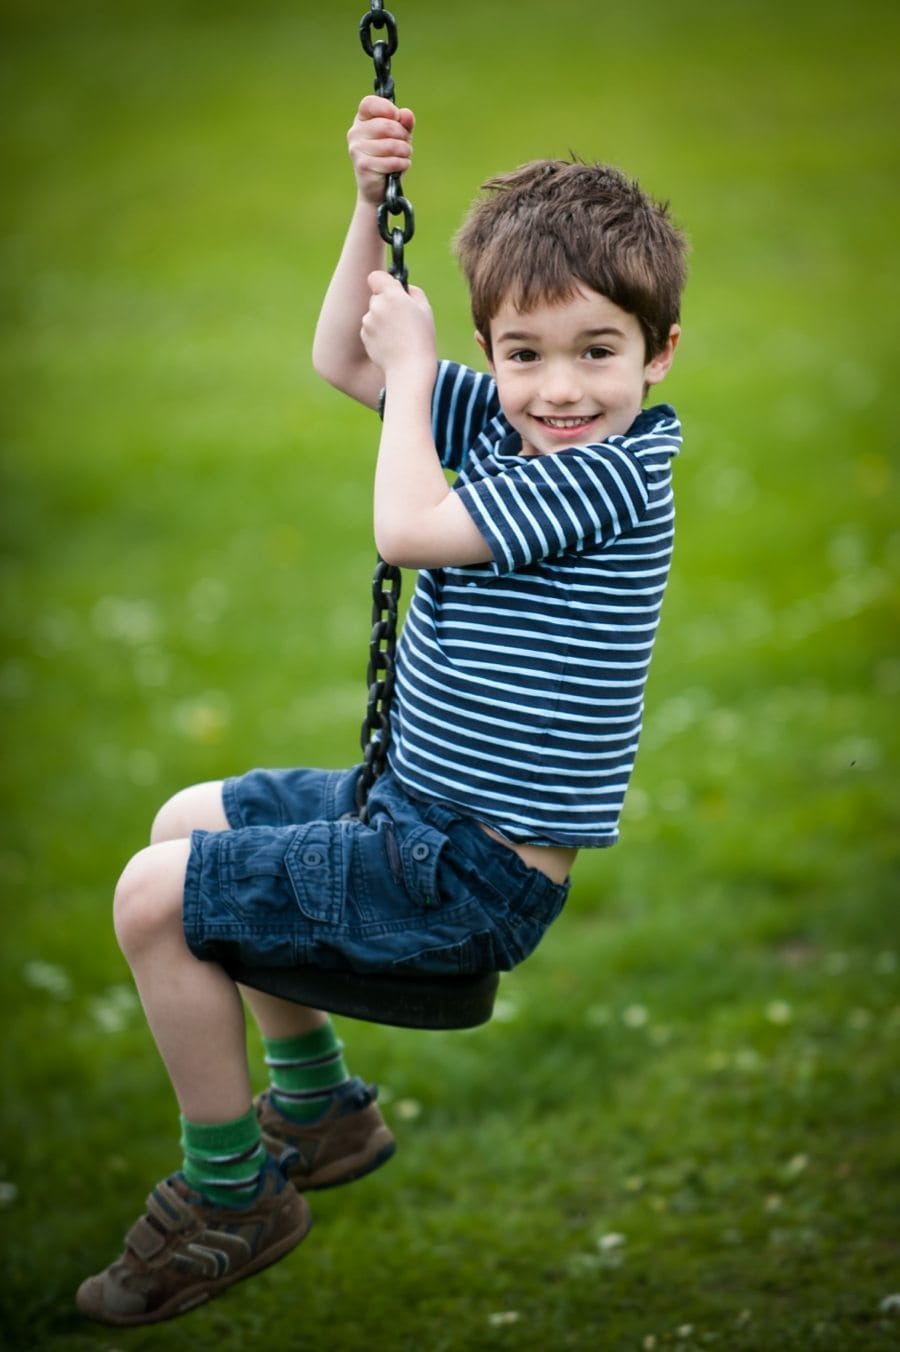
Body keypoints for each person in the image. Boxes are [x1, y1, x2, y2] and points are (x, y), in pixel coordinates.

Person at [76, 93, 687, 1326]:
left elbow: (407, 527)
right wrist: (368, 206)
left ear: (658, 352)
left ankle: (229, 1197)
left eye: (596, 350)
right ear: (496, 350)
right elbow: (345, 359)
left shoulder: (614, 476)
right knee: (187, 814)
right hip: (413, 812)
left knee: (155, 895)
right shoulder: (522, 435)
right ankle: (319, 1107)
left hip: (469, 876)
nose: (556, 388)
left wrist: (424, 372)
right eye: (521, 354)